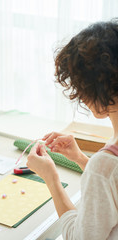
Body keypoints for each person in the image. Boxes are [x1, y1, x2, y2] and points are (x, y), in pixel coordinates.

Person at [27, 19, 118, 240]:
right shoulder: (107, 162)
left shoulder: (104, 165)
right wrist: (80, 158)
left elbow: (79, 237)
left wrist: (51, 179)